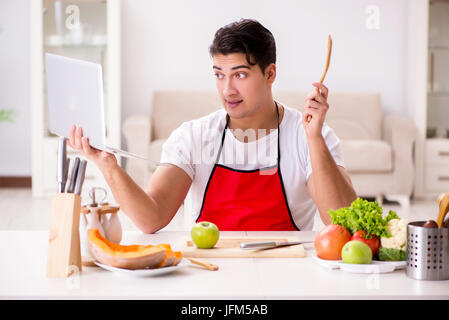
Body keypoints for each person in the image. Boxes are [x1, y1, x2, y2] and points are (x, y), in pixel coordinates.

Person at [68, 18, 357, 233]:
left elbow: (341, 220)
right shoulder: (193, 136)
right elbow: (151, 217)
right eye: (219, 75)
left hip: (285, 272)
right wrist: (107, 164)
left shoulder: (309, 136)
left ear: (270, 74)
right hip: (208, 272)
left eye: (240, 75)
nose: (227, 89)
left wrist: (314, 139)